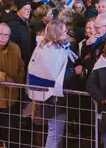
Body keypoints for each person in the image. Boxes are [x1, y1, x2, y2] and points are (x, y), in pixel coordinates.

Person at [27, 19, 77, 148]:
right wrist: (74, 72)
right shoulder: (49, 51)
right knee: (55, 133)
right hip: (52, 97)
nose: (67, 34)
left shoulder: (47, 47)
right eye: (64, 32)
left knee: (56, 132)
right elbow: (55, 75)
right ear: (56, 34)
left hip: (52, 96)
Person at [3, 0, 34, 70]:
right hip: (16, 64)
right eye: (25, 9)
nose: (28, 12)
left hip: (24, 62)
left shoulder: (24, 23)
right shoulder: (13, 25)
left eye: (29, 10)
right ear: (19, 10)